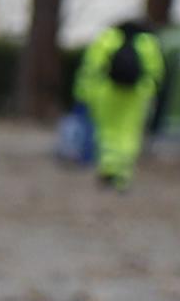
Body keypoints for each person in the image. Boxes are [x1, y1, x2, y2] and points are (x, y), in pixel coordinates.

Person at [71, 17, 167, 190]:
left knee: (107, 131)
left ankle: (107, 169)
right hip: (136, 95)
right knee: (129, 132)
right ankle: (123, 174)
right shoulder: (148, 43)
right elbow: (156, 73)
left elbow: (91, 69)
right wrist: (148, 91)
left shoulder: (107, 38)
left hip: (107, 93)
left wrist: (85, 94)